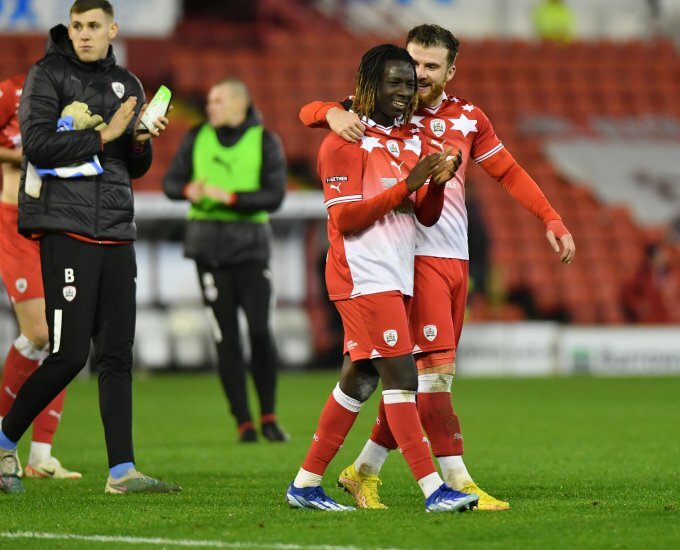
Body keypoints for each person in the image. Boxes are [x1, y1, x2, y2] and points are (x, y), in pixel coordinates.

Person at [299, 24, 575, 511]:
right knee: (427, 376)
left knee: (401, 375)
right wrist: (330, 111)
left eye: (430, 67)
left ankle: (360, 471)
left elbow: (507, 170)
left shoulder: (466, 119)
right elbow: (309, 113)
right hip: (407, 260)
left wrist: (549, 216)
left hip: (454, 257)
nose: (418, 77)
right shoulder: (375, 109)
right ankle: (452, 481)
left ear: (451, 70)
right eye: (412, 65)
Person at [285, 43, 478, 513]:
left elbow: (426, 217)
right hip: (361, 275)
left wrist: (434, 182)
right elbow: (347, 220)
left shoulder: (411, 138)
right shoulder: (343, 141)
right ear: (370, 85)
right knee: (403, 374)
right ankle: (435, 490)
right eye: (394, 82)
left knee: (360, 379)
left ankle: (305, 484)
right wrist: (407, 184)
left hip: (396, 273)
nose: (404, 92)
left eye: (409, 84)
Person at [0, 0, 179, 495]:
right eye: (77, 26)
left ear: (112, 29)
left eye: (93, 26)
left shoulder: (129, 83)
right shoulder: (46, 75)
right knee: (68, 354)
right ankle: (3, 439)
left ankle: (122, 471)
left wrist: (140, 139)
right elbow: (35, 145)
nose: (83, 34)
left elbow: (133, 165)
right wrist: (108, 133)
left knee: (117, 355)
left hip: (117, 230)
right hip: (66, 227)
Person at [163, 78, 289, 443]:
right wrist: (188, 189)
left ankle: (268, 415)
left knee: (261, 332)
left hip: (250, 249)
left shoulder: (265, 140)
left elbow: (275, 196)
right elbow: (172, 183)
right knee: (226, 338)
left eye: (217, 100)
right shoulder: (195, 137)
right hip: (208, 250)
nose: (210, 106)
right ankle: (244, 423)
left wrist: (231, 198)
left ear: (239, 104)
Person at [0, 73, 81, 481]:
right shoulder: (11, 91)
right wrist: (32, 154)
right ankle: (1, 439)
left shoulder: (78, 101)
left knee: (63, 338)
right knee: (37, 333)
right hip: (15, 222)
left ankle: (42, 455)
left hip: (58, 223)